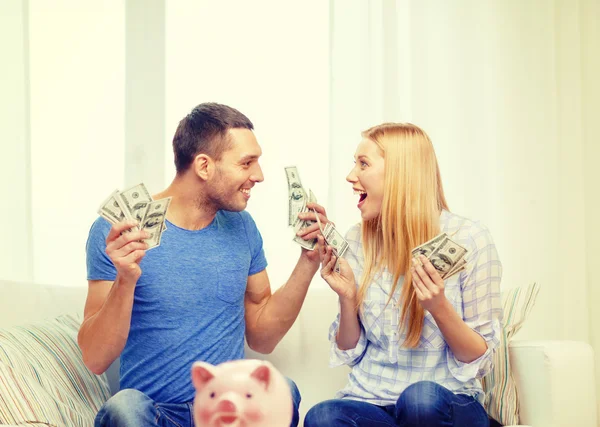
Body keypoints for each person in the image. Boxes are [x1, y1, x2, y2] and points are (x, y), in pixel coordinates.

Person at [79, 102, 328, 427]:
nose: (259, 176)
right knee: (124, 407)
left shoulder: (242, 227)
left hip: (225, 414)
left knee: (284, 391)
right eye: (246, 163)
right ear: (204, 166)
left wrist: (308, 262)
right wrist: (126, 278)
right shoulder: (119, 233)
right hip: (156, 415)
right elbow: (95, 358)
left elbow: (262, 338)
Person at [304, 123, 502, 427]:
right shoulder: (357, 240)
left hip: (447, 401)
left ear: (400, 174)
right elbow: (350, 349)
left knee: (420, 401)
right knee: (323, 417)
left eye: (363, 164)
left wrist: (439, 308)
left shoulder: (468, 237)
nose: (350, 176)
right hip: (374, 402)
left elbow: (478, 358)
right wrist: (347, 298)